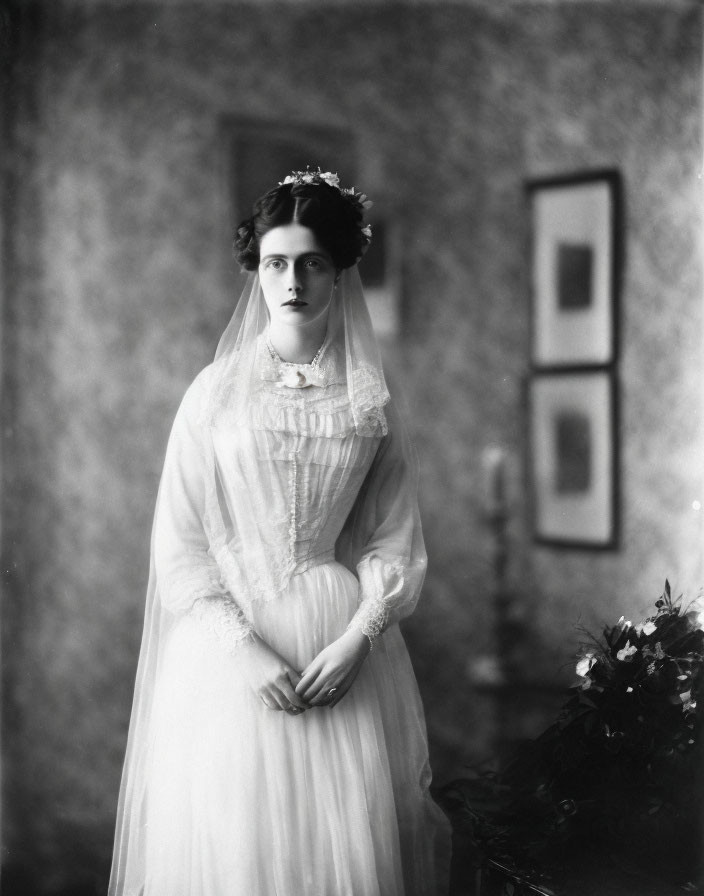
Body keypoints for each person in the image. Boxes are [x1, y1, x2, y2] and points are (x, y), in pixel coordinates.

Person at [109, 169, 451, 896]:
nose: (292, 280)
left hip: (338, 638)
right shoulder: (216, 392)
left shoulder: (368, 399)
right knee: (238, 851)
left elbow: (394, 535)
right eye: (276, 262)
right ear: (256, 268)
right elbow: (180, 545)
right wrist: (243, 653)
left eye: (311, 263)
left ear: (337, 270)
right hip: (230, 654)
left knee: (335, 855)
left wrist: (361, 635)